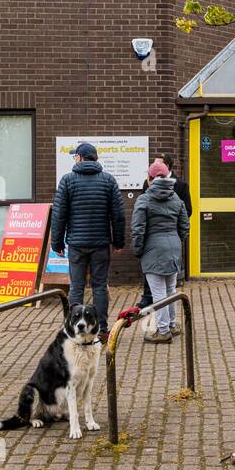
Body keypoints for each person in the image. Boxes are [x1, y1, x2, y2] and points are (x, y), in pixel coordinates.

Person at [51, 142, 125, 335]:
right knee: (100, 286)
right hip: (100, 244)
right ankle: (101, 329)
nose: (74, 158)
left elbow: (59, 214)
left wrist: (56, 243)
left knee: (76, 286)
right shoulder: (108, 180)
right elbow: (117, 215)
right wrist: (118, 242)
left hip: (76, 244)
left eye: (75, 155)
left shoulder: (67, 180)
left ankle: (73, 328)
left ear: (81, 157)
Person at [130, 160, 188, 343]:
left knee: (159, 293)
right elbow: (184, 225)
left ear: (150, 178)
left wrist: (138, 250)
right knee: (171, 289)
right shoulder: (175, 198)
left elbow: (138, 229)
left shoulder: (145, 199)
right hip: (173, 247)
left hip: (153, 248)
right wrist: (176, 241)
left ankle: (162, 332)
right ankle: (171, 324)